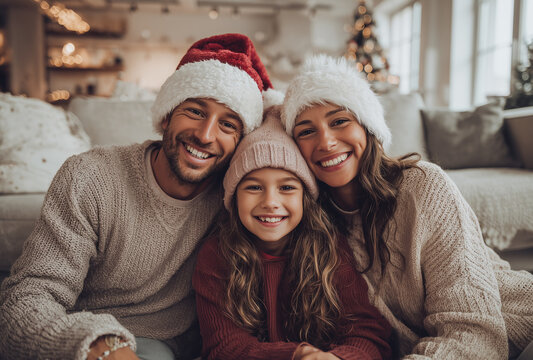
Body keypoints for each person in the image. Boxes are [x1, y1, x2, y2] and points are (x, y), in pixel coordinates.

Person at [0, 33, 283, 360]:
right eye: (195, 111)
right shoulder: (91, 177)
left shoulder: (238, 197)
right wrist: (104, 348)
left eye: (228, 125)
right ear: (166, 116)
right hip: (85, 344)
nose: (206, 135)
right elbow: (23, 303)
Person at [280, 54, 533, 359]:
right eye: (306, 131)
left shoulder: (423, 186)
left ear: (367, 127)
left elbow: (473, 335)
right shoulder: (310, 219)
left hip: (514, 328)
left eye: (339, 121)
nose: (326, 142)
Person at [192, 109, 392, 360]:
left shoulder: (329, 247)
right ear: (233, 197)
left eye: (286, 187)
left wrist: (338, 358)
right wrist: (299, 354)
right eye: (254, 187)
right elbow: (224, 347)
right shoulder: (218, 254)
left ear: (305, 199)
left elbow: (367, 333)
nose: (270, 202)